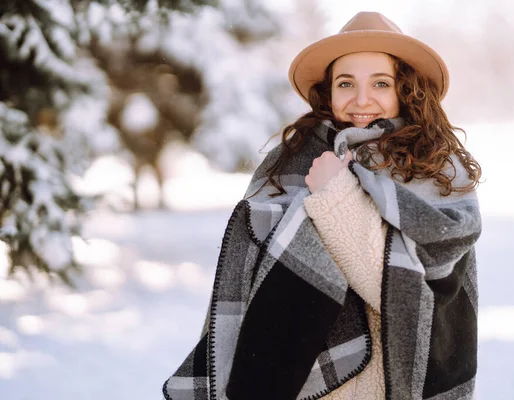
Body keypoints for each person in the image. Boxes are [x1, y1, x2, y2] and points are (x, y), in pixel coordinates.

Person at [163, 11, 482, 400]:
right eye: (346, 83)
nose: (361, 100)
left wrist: (335, 196)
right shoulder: (292, 160)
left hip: (386, 386)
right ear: (328, 91)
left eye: (380, 83)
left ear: (405, 89)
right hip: (301, 385)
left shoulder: (434, 169)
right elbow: (252, 280)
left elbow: (401, 295)